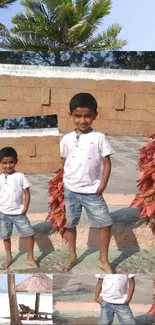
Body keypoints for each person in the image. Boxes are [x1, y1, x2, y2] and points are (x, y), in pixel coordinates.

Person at [60, 92, 114, 272]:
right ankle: (73, 256)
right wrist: (62, 183)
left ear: (95, 116)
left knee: (105, 223)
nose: (83, 120)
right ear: (71, 115)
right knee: (70, 224)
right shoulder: (66, 139)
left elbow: (107, 161)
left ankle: (103, 259)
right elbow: (62, 162)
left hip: (92, 192)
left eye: (87, 116)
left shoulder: (99, 138)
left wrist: (103, 184)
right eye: (78, 116)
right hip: (70, 191)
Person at [0, 147, 38, 269]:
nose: (8, 165)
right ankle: (9, 257)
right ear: (0, 163)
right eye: (4, 163)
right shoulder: (0, 178)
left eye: (11, 162)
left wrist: (25, 207)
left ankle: (30, 257)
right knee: (5, 236)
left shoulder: (20, 176)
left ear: (16, 162)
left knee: (30, 234)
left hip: (18, 213)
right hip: (3, 214)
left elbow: (27, 192)